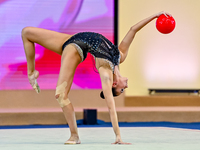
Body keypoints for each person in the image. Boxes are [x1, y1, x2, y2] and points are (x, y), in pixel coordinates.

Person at [21, 11, 171, 145]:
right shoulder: (120, 56)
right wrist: (154, 16)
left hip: (75, 49)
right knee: (26, 32)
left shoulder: (106, 73)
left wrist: (118, 136)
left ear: (114, 84)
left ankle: (74, 136)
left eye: (121, 90)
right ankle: (32, 72)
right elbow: (133, 29)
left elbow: (111, 108)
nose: (125, 88)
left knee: (61, 95)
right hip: (72, 39)